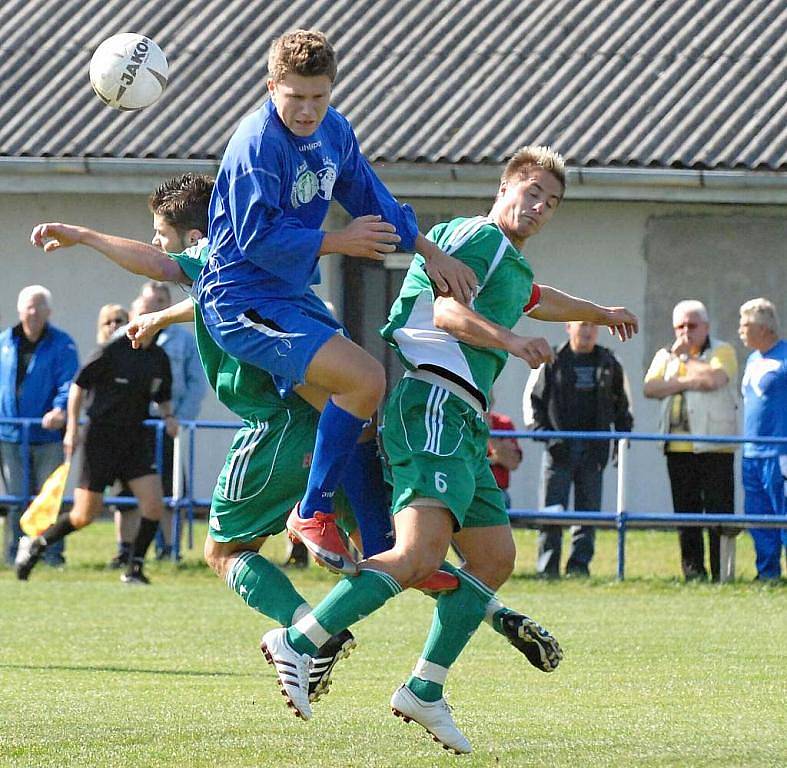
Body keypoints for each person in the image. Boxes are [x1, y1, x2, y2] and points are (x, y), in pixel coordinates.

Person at [30, 170, 567, 712]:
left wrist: (85, 235)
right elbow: (204, 292)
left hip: (277, 425)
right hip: (338, 429)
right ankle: (494, 613)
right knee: (396, 550)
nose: (155, 242)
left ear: (192, 237)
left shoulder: (207, 253)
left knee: (224, 551)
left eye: (161, 231)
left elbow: (163, 266)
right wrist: (163, 315)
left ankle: (307, 634)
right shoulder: (251, 256)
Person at [256, 145, 637, 752]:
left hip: (464, 420)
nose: (540, 207)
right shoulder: (475, 236)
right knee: (416, 554)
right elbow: (445, 310)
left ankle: (424, 690)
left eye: (553, 202)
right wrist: (510, 341)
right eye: (532, 192)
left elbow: (537, 295)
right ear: (505, 188)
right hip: (432, 402)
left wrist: (598, 311)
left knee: (492, 558)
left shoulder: (506, 263)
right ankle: (300, 641)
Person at [196, 28, 477, 573]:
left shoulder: (334, 132)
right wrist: (336, 242)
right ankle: (311, 511)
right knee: (366, 379)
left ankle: (380, 547)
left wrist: (428, 251)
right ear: (271, 85)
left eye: (318, 97)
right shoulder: (257, 144)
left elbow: (371, 198)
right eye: (295, 96)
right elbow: (256, 238)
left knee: (358, 411)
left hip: (288, 296)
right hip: (241, 300)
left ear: (332, 91)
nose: (306, 110)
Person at [15, 306, 176, 585]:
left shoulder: (159, 357)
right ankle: (36, 544)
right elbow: (78, 385)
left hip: (135, 439)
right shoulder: (112, 349)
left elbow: (162, 395)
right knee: (84, 514)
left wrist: (169, 416)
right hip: (100, 438)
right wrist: (72, 427)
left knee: (154, 506)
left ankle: (134, 569)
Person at [524, 321, 633, 578]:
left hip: (595, 451)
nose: (588, 331)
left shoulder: (609, 361)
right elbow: (533, 403)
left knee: (588, 514)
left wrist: (621, 444)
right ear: (568, 327)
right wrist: (548, 439)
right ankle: (547, 569)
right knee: (551, 513)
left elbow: (623, 407)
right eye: (582, 325)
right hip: (558, 451)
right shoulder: (552, 359)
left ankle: (579, 568)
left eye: (593, 326)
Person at [111, 280, 206, 565]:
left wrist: (179, 419)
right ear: (140, 304)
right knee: (124, 492)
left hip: (167, 426)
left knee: (168, 489)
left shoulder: (185, 340)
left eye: (162, 303)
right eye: (151, 303)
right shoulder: (121, 336)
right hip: (129, 427)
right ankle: (124, 550)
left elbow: (196, 383)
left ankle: (169, 550)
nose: (156, 308)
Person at [643, 300, 738, 581]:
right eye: (680, 326)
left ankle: (722, 573)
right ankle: (693, 573)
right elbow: (651, 387)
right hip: (677, 447)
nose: (685, 332)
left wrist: (684, 363)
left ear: (706, 327)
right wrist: (687, 379)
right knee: (686, 514)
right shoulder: (665, 354)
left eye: (692, 326)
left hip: (715, 445)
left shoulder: (722, 350)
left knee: (719, 512)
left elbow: (715, 379)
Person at [0, 285, 79, 566]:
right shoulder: (5, 342)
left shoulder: (62, 344)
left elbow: (69, 383)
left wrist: (60, 410)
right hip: (9, 434)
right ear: (20, 309)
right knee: (15, 499)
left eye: (38, 306)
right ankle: (14, 555)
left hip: (48, 437)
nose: (32, 312)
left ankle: (50, 555)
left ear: (49, 311)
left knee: (48, 499)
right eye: (28, 306)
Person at [738, 298, 787, 580]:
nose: (740, 330)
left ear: (764, 327)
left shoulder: (784, 358)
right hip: (752, 453)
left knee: (784, 515)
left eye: (746, 325)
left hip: (780, 453)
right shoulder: (753, 359)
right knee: (759, 517)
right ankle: (767, 573)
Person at [485, 403, 522, 509]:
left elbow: (512, 463)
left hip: (497, 490)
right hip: (466, 488)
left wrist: (488, 432)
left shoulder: (503, 423)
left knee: (500, 499)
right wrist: (495, 458)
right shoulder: (458, 423)